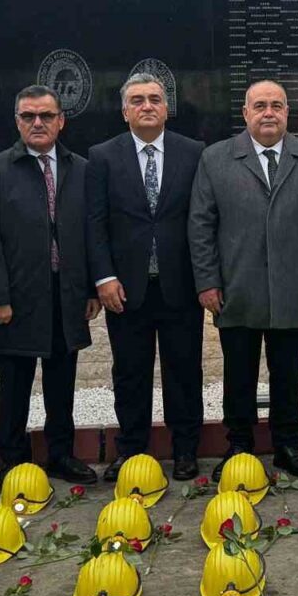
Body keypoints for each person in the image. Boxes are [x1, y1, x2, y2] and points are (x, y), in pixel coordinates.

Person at [188, 80, 298, 480]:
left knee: (287, 373)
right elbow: (201, 225)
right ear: (245, 113)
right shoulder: (216, 159)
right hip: (236, 288)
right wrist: (207, 281)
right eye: (260, 106)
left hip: (293, 288)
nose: (268, 113)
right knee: (239, 373)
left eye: (276, 105)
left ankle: (287, 445)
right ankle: (239, 444)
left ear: (287, 112)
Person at [0, 85, 100, 486]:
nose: (38, 123)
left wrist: (91, 288)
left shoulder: (82, 169)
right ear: (17, 122)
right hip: (17, 296)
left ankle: (61, 454)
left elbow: (93, 232)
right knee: (15, 384)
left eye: (46, 115)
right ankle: (14, 460)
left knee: (61, 382)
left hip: (67, 293)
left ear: (61, 121)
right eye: (28, 116)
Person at [87, 74, 206, 482]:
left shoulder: (194, 153)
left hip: (181, 286)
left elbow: (204, 219)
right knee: (130, 373)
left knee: (184, 371)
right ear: (125, 111)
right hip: (125, 289)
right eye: (137, 100)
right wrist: (103, 277)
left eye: (155, 99)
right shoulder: (103, 156)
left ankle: (185, 450)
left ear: (167, 108)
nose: (147, 106)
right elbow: (95, 223)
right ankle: (132, 450)